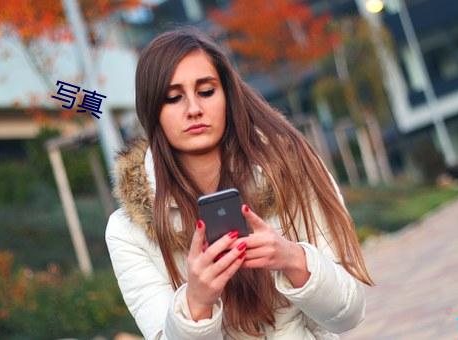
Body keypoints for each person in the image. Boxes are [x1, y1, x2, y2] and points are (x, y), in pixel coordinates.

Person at [106, 27, 373, 340]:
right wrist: (196, 302)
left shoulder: (290, 169)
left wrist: (292, 259)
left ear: (226, 95)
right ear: (152, 111)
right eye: (174, 98)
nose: (194, 109)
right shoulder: (128, 232)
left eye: (206, 91)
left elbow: (349, 314)